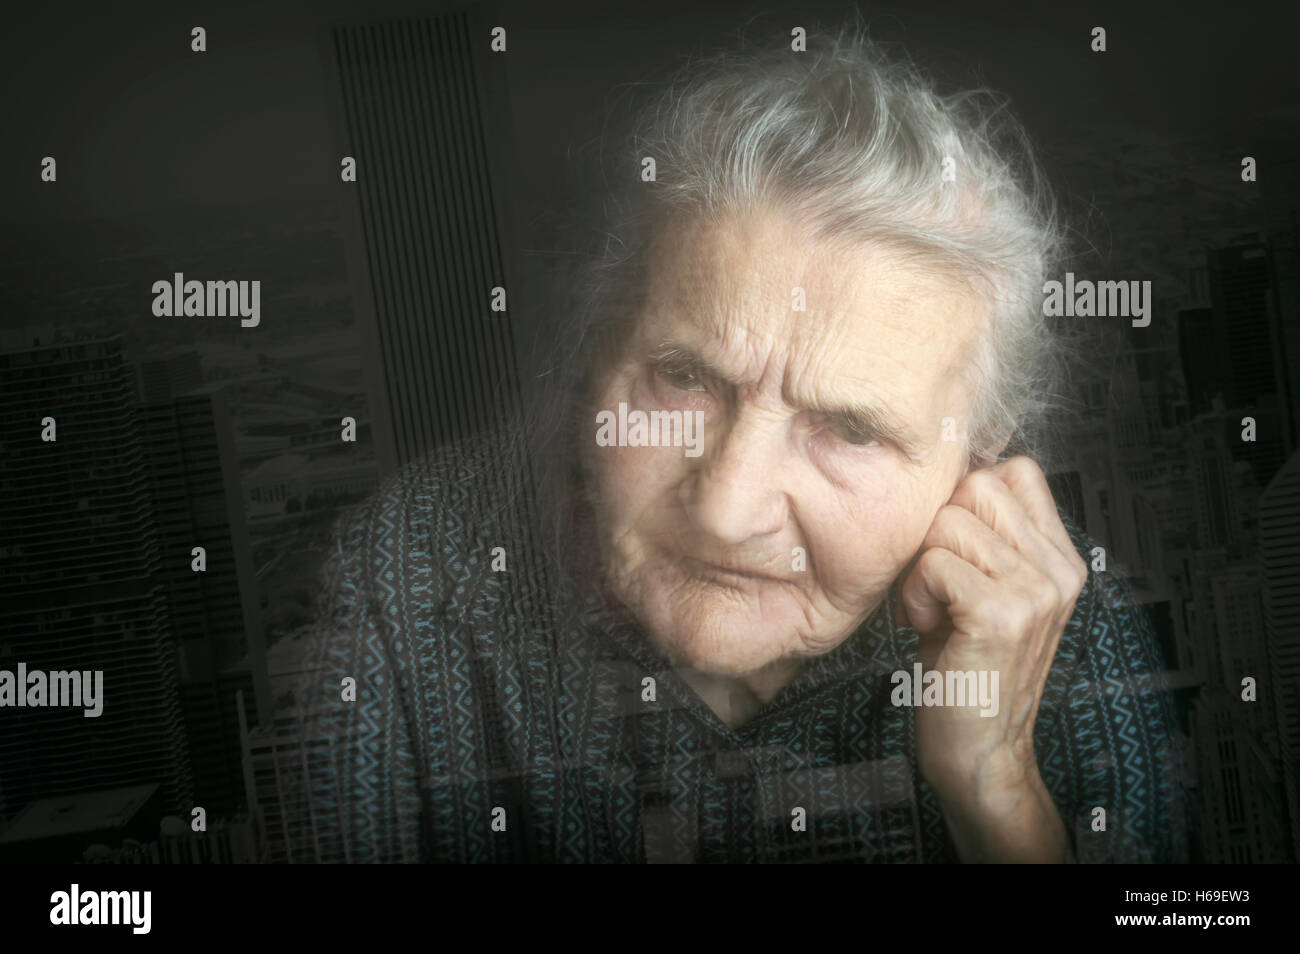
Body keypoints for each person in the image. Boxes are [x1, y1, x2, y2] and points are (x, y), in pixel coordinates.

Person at [287, 23, 1188, 863]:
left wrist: (1000, 798)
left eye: (850, 429)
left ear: (977, 455)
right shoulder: (412, 567)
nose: (726, 509)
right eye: (683, 378)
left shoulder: (1049, 615)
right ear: (600, 347)